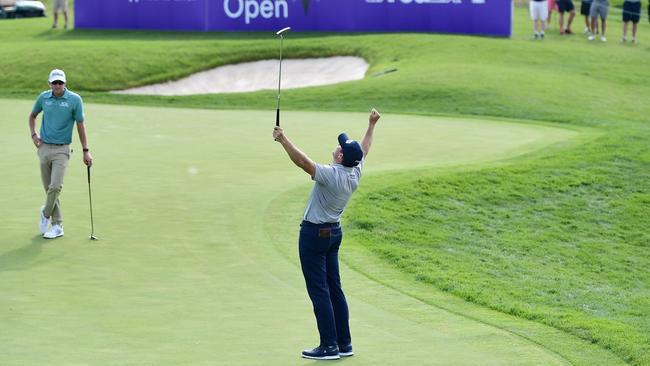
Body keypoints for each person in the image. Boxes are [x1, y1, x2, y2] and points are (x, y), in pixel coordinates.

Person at [272, 108, 381, 360]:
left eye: (340, 146)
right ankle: (344, 344)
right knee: (334, 289)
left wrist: (283, 140)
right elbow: (365, 149)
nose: (337, 146)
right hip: (334, 234)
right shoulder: (354, 171)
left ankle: (329, 346)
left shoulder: (331, 175)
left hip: (313, 235)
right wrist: (371, 125)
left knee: (319, 291)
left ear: (341, 156)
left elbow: (303, 163)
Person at [29, 69, 92, 239]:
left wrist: (86, 150)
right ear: (49, 83)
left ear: (65, 83)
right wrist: (34, 135)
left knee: (55, 186)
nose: (57, 85)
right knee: (49, 189)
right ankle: (58, 226)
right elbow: (32, 115)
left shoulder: (74, 100)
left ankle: (46, 213)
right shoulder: (44, 98)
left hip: (62, 150)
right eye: (54, 82)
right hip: (43, 148)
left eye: (60, 82)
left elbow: (80, 125)